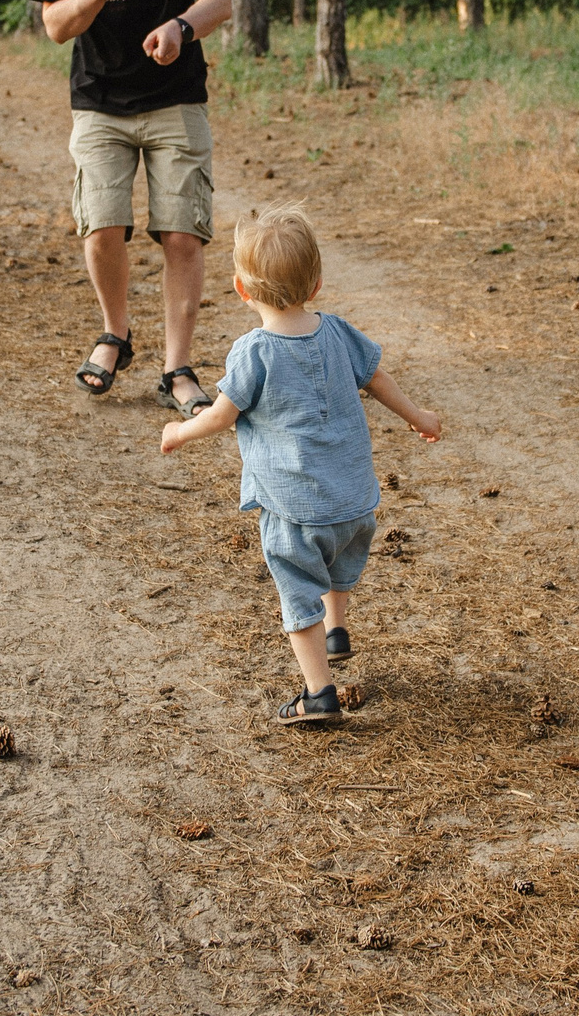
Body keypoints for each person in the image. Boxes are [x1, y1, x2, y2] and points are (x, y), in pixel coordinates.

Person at [160, 205, 442, 725]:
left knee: (297, 591)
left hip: (295, 509)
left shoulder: (254, 352)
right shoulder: (337, 331)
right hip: (355, 503)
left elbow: (222, 415)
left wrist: (180, 430)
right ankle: (337, 629)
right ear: (316, 282)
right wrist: (418, 414)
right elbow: (377, 379)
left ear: (243, 291)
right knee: (336, 568)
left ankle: (319, 693)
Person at [33, 0, 235, 416]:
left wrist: (180, 26)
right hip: (99, 99)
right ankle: (115, 335)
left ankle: (178, 367)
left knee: (183, 234)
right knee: (101, 225)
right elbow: (54, 26)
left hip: (175, 98)